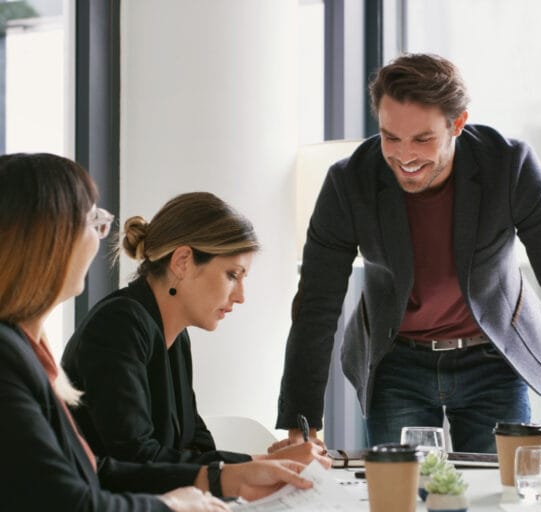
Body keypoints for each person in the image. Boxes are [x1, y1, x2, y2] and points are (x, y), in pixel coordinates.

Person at [276, 53, 541, 453]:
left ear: (457, 124)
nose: (404, 156)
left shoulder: (509, 165)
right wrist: (301, 426)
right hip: (397, 363)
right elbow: (316, 305)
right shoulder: (349, 182)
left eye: (422, 139)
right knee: (400, 498)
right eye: (390, 137)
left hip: (492, 358)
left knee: (498, 494)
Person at [0, 153, 314, 511]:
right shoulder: (111, 327)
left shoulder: (169, 335)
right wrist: (177, 503)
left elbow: (171, 451)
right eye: (92, 221)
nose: (100, 236)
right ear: (182, 262)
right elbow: (115, 468)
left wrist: (248, 468)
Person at [61, 192, 328, 468]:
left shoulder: (174, 334)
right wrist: (265, 464)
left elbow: (197, 445)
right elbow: (137, 458)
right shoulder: (118, 325)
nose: (241, 296)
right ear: (182, 261)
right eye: (232, 275)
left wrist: (270, 463)